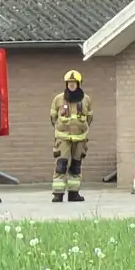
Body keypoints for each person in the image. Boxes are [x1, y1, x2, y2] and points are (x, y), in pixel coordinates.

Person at [50, 70, 92, 203]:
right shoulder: (58, 99)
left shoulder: (86, 99)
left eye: (74, 83)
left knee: (76, 165)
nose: (72, 85)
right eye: (69, 83)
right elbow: (53, 117)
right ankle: (58, 194)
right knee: (61, 165)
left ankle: (74, 193)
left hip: (80, 138)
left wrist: (82, 128)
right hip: (63, 137)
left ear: (79, 84)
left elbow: (89, 117)